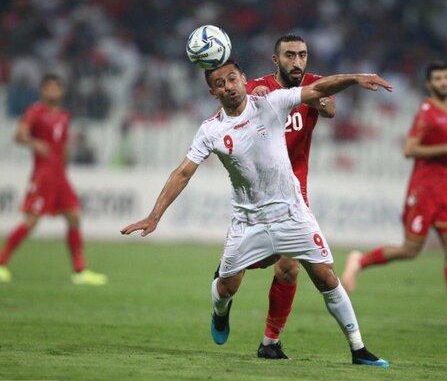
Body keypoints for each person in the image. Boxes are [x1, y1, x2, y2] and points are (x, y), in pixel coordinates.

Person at [121, 59, 391, 367]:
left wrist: (355, 78)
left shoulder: (271, 103)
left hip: (292, 214)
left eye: (231, 79)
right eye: (219, 84)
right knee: (227, 287)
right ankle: (220, 312)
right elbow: (183, 172)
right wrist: (154, 216)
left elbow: (318, 89)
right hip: (248, 222)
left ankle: (358, 349)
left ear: (243, 79)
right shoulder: (210, 130)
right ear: (212, 92)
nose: (228, 87)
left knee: (326, 277)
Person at [342, 62, 447, 325]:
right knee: (410, 250)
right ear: (429, 85)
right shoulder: (426, 113)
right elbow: (409, 149)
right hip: (424, 188)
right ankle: (360, 261)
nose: (443, 82)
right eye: (438, 79)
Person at [244, 34, 335, 359]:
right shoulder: (258, 86)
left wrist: (318, 100)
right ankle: (235, 265)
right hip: (260, 190)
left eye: (302, 55)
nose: (297, 62)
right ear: (276, 59)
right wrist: (252, 98)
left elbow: (330, 108)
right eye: (290, 55)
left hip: (295, 190)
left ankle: (270, 342)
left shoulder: (314, 84)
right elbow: (232, 108)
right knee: (248, 265)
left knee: (290, 268)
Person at [0, 74, 108, 285]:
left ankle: (80, 271)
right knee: (32, 221)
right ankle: (1, 262)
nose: (53, 91)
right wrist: (35, 143)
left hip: (60, 176)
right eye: (49, 88)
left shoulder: (64, 116)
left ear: (62, 92)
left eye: (56, 88)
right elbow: (19, 135)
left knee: (74, 216)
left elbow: (64, 144)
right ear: (42, 90)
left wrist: (64, 168)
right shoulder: (35, 112)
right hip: (43, 174)